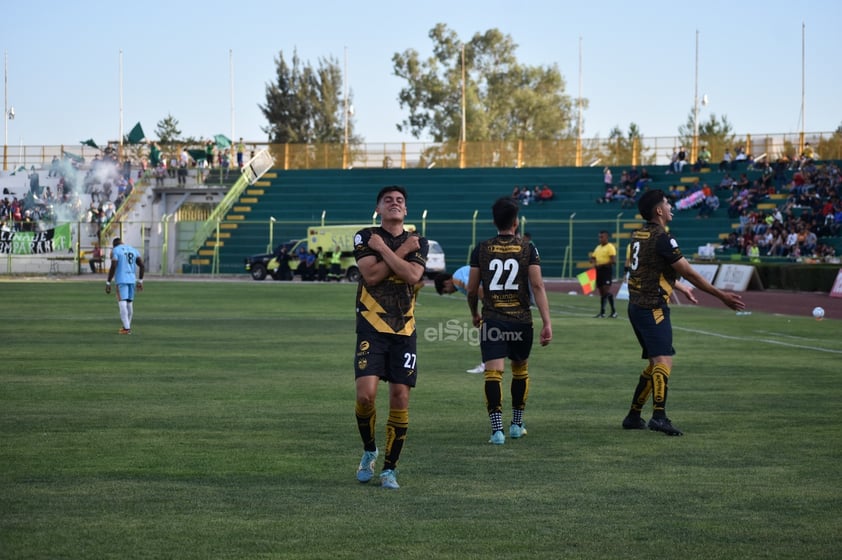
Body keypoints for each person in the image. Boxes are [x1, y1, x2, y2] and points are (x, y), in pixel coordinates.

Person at [621, 189, 744, 436]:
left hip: (636, 307)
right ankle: (659, 416)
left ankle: (634, 415)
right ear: (659, 211)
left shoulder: (638, 236)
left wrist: (679, 286)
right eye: (667, 204)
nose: (671, 207)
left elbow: (643, 269)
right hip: (652, 307)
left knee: (656, 362)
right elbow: (688, 271)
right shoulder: (664, 238)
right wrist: (722, 296)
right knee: (664, 361)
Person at [353, 185, 428, 490]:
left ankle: (389, 469)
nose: (394, 204)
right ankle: (370, 448)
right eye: (388, 201)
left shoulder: (419, 241)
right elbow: (371, 277)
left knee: (400, 398)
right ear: (378, 209)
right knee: (365, 395)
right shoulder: (364, 235)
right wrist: (399, 252)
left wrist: (384, 250)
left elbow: (413, 276)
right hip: (371, 324)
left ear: (406, 210)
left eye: (399, 201)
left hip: (404, 329)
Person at [466, 196, 552, 445]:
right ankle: (516, 424)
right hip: (521, 321)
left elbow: (472, 289)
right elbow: (537, 285)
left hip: (493, 321)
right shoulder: (528, 248)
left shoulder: (481, 248)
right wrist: (547, 321)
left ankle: (496, 431)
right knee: (520, 370)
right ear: (516, 222)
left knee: (493, 374)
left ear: (494, 221)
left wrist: (474, 313)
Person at [434, 265, 485, 374]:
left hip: (494, 300)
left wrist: (485, 309)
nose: (450, 293)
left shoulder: (457, 279)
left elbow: (475, 290)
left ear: (446, 283)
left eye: (446, 291)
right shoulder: (459, 275)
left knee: (485, 331)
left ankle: (486, 364)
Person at [105, 237, 145, 335]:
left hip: (121, 279)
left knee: (122, 303)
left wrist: (108, 282)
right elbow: (142, 265)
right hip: (132, 279)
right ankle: (126, 327)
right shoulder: (133, 249)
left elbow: (113, 265)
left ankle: (127, 329)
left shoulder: (115, 250)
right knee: (129, 303)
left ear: (114, 245)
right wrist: (140, 280)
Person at [591, 230, 618, 318]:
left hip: (606, 270)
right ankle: (603, 313)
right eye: (599, 237)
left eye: (602, 237)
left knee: (605, 291)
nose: (600, 239)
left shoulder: (610, 247)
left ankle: (611, 312)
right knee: (602, 292)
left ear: (606, 237)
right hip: (598, 271)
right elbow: (593, 257)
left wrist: (601, 265)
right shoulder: (598, 247)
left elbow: (613, 261)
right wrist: (594, 262)